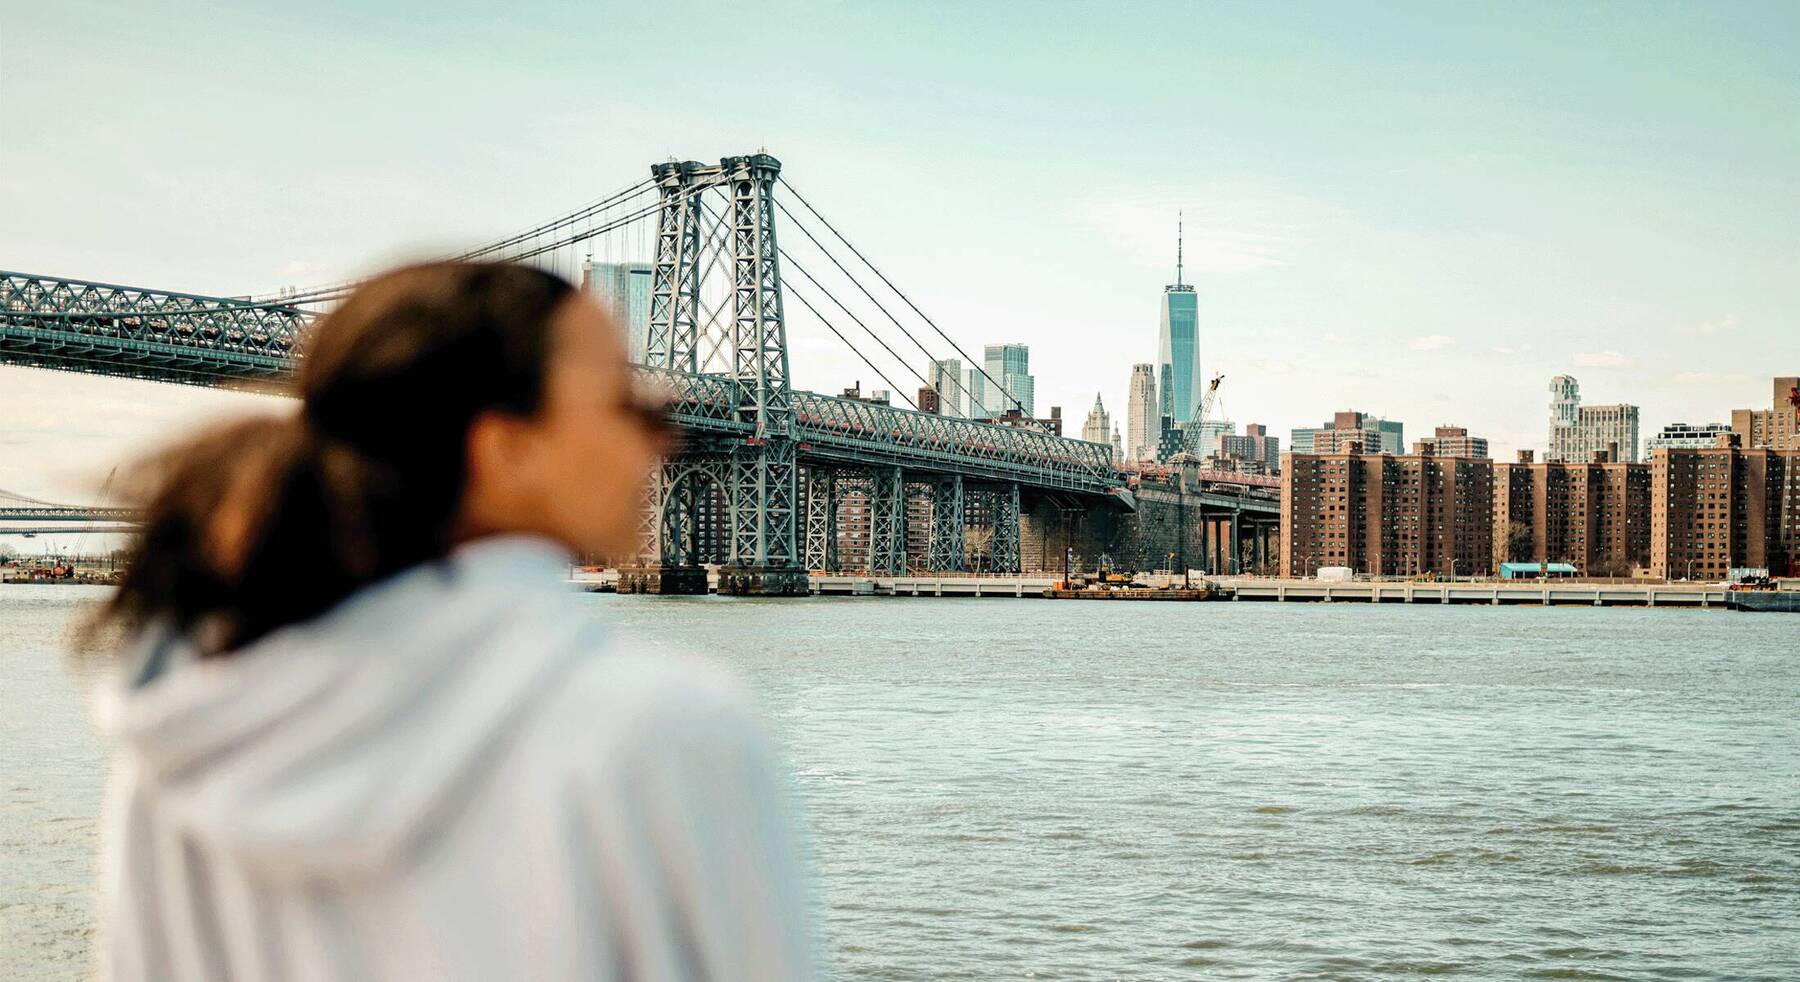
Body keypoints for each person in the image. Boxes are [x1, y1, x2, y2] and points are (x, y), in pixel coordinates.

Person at [90, 262, 813, 980]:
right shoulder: (665, 726)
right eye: (627, 403)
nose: (664, 439)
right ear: (505, 448)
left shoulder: (185, 733)